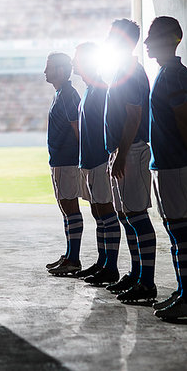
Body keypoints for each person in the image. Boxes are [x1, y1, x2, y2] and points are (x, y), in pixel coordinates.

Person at [104, 19, 156, 303]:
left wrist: (121, 155)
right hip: (123, 149)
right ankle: (137, 276)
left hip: (132, 150)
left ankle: (147, 283)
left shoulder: (132, 72)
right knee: (127, 217)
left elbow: (134, 115)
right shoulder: (121, 70)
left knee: (137, 216)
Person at [145, 16, 187, 319]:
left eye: (153, 36)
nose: (147, 43)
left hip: (176, 164)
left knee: (181, 232)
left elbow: (183, 118)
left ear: (172, 38)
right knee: (176, 231)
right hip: (166, 163)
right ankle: (183, 290)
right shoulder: (166, 73)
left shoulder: (173, 74)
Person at [72, 43, 121, 285]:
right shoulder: (89, 90)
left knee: (106, 211)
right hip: (88, 161)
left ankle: (110, 266)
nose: (74, 63)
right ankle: (103, 261)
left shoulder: (101, 90)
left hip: (100, 160)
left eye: (77, 59)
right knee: (97, 212)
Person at [44, 53, 83, 276]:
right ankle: (70, 255)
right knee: (65, 208)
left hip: (68, 161)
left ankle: (74, 258)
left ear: (60, 70)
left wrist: (78, 160)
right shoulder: (61, 93)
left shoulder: (68, 95)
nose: (44, 71)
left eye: (48, 67)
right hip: (59, 160)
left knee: (70, 207)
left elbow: (77, 128)